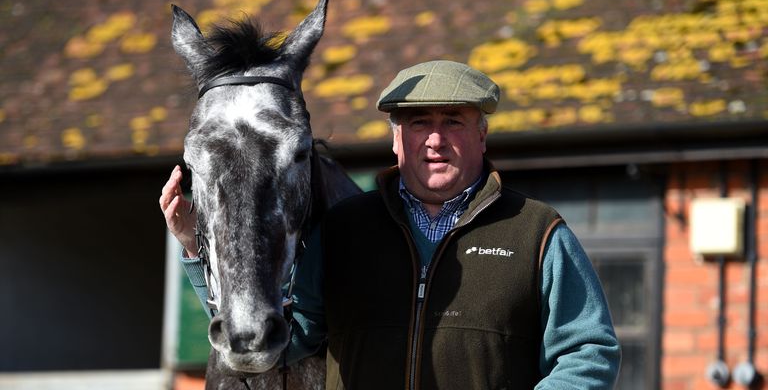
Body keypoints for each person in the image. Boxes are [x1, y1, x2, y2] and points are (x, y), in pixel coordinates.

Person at [161, 60, 621, 389]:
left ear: (482, 134)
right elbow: (281, 341)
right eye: (420, 122)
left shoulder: (536, 231)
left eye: (454, 121)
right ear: (396, 139)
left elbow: (589, 352)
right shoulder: (345, 230)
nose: (436, 140)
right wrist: (195, 249)